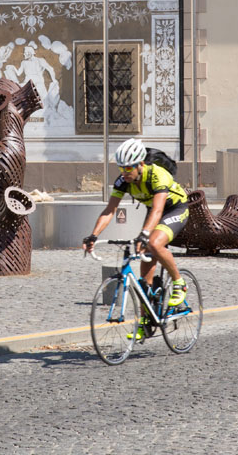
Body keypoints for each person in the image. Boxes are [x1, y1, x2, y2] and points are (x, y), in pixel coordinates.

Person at [82, 138, 190, 341]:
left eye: (129, 168)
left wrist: (145, 234)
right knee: (143, 281)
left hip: (175, 209)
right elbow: (109, 210)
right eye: (121, 168)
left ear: (140, 164)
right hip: (154, 213)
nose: (125, 172)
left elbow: (158, 209)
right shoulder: (123, 181)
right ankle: (146, 322)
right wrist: (93, 235)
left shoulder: (157, 175)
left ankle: (179, 282)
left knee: (154, 243)